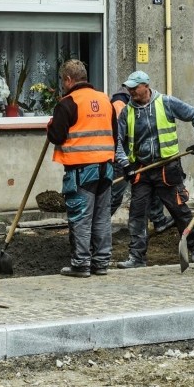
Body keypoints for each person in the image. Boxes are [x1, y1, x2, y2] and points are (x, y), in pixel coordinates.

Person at [114, 70, 194, 268]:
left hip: (167, 168)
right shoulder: (126, 112)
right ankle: (137, 257)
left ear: (146, 86)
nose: (130, 92)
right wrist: (126, 164)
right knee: (137, 214)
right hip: (141, 170)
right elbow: (118, 142)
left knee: (179, 210)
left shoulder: (166, 103)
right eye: (128, 88)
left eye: (134, 88)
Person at [46, 59, 117, 278]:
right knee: (102, 217)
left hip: (81, 171)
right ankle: (101, 263)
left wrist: (51, 125)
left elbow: (56, 136)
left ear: (68, 79)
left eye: (62, 80)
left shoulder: (68, 103)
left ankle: (81, 264)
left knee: (81, 217)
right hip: (106, 169)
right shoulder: (105, 101)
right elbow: (115, 132)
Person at [109, 84, 175, 234]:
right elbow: (119, 134)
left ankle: (158, 220)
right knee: (115, 195)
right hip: (121, 159)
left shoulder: (129, 101)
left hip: (136, 157)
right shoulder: (120, 104)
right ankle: (99, 226)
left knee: (153, 188)